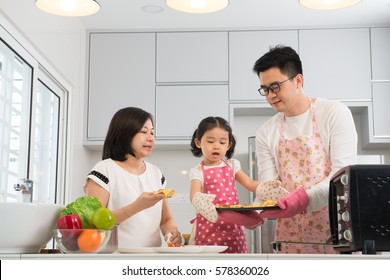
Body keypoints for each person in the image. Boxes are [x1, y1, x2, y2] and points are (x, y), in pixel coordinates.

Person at [252, 45, 358, 254]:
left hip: (335, 233)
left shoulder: (334, 113)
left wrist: (302, 200)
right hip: (290, 240)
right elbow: (269, 188)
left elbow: (342, 180)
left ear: (298, 80)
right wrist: (253, 213)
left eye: (275, 87)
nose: (270, 96)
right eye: (265, 89)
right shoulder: (266, 132)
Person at [84, 107, 182, 248]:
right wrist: (137, 206)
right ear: (124, 133)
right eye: (143, 131)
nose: (150, 138)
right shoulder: (104, 170)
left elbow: (166, 219)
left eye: (152, 132)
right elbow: (94, 223)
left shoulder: (156, 173)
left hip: (151, 260)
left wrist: (172, 232)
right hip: (115, 258)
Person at [189, 116, 281, 253]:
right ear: (198, 142)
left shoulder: (232, 165)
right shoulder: (197, 171)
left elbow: (249, 183)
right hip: (208, 228)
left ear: (229, 145)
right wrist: (199, 202)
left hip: (233, 228)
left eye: (222, 142)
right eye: (210, 141)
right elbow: (194, 194)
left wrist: (264, 188)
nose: (216, 146)